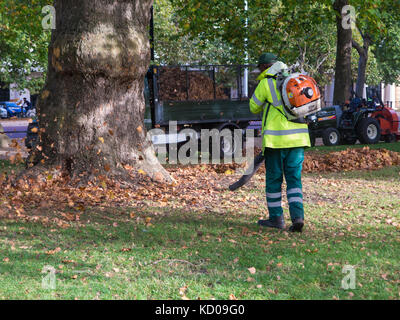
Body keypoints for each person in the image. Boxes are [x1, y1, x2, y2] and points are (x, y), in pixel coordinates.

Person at [249, 53, 311, 232]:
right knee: (294, 180)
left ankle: (276, 218)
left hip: (276, 142)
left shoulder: (265, 83)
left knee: (274, 180)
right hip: (299, 139)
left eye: (260, 67)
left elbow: (253, 107)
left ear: (264, 66)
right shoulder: (296, 79)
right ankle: (298, 217)